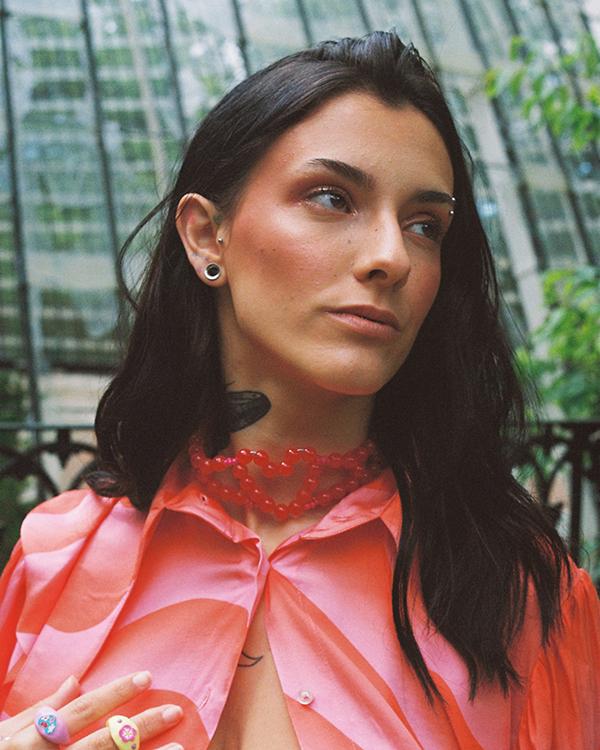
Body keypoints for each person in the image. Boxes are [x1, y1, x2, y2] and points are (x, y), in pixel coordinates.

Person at [1, 30, 599, 750]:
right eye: (330, 197)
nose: (390, 257)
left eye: (424, 225)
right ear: (204, 235)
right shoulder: (54, 559)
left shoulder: (527, 594)